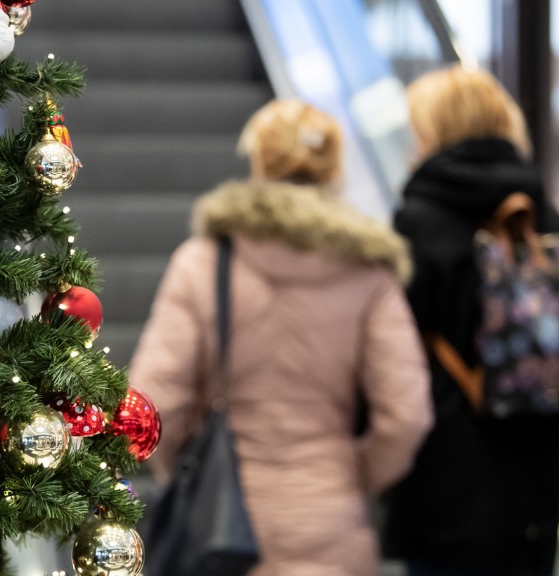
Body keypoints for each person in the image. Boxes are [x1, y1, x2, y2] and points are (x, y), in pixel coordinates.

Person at [128, 99, 433, 576]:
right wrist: (350, 476)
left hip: (221, 533)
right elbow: (407, 414)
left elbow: (155, 400)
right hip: (331, 525)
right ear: (334, 169)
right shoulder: (370, 273)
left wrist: (186, 472)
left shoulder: (204, 260)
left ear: (259, 161)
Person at [382, 65, 559, 576]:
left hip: (447, 479)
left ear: (436, 129)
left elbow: (393, 347)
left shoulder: (420, 219)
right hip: (534, 477)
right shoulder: (540, 215)